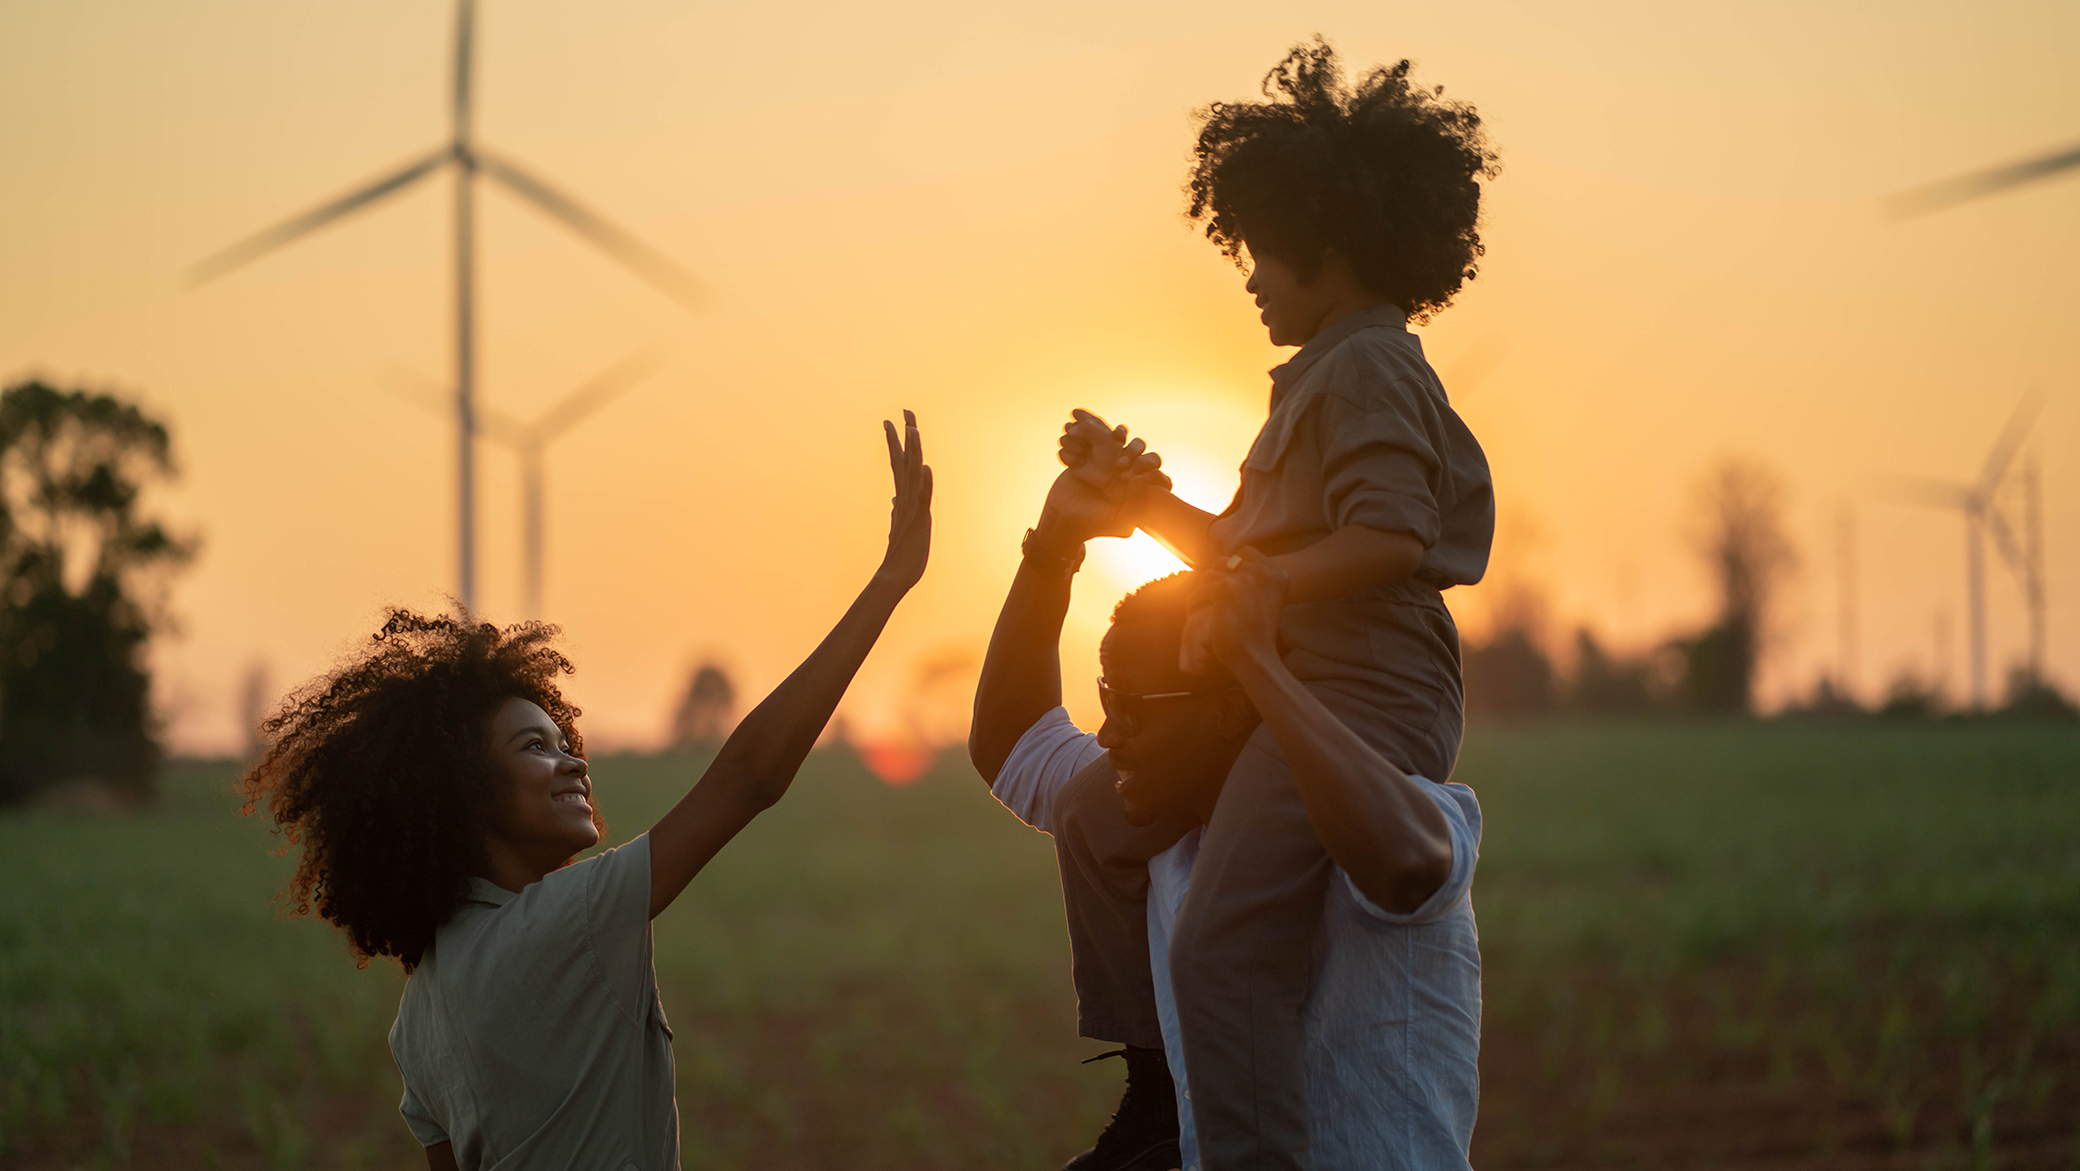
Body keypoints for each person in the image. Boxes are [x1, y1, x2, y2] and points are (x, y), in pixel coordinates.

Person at [241, 414, 933, 1171]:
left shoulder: (418, 1014)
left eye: (565, 739)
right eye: (534, 746)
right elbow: (749, 778)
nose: (573, 761)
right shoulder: (563, 923)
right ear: (464, 793)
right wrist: (889, 583)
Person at [1040, 40, 1498, 1170]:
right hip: (1298, 669)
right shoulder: (1325, 373)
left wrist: (1258, 595)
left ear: (1327, 245)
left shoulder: (1370, 367)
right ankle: (1156, 1097)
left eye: (1258, 253)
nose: (1247, 276)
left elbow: (1384, 538)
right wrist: (1140, 498)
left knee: (1219, 950)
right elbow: (1258, 553)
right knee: (1101, 820)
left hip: (1355, 692)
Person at [970, 466, 1483, 1171]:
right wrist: (1057, 540)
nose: (1110, 734)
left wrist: (1257, 662)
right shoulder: (1157, 825)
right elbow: (1011, 743)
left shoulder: (1363, 809)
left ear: (1225, 707)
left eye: (1134, 707)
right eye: (1105, 699)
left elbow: (1409, 865)